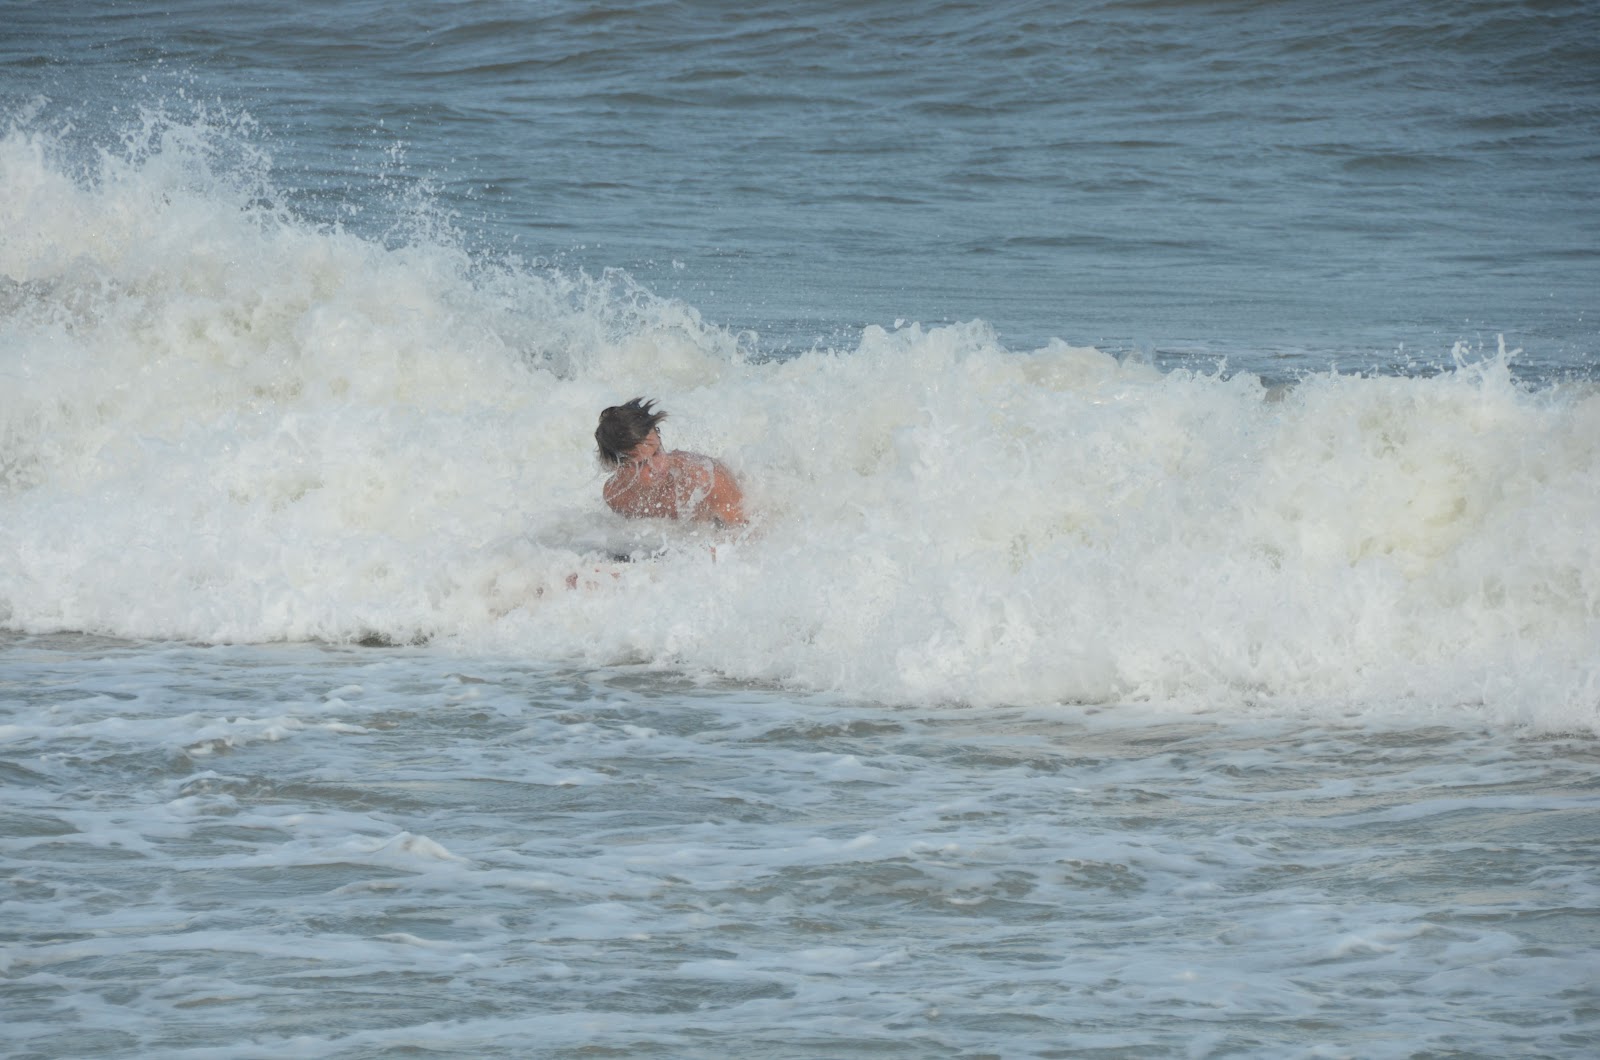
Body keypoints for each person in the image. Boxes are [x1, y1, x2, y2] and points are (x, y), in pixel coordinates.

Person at [595, 398, 747, 527]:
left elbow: (746, 531)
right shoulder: (617, 495)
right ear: (618, 467)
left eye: (657, 452)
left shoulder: (705, 479)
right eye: (641, 464)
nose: (656, 467)